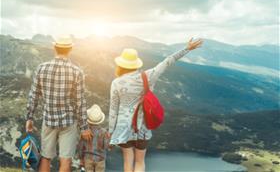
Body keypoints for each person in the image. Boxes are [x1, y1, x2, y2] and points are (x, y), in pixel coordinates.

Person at [109, 38, 203, 172]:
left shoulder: (116, 83)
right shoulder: (147, 76)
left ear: (121, 65)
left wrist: (111, 131)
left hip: (123, 127)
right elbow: (168, 61)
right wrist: (187, 49)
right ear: (136, 64)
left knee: (127, 160)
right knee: (140, 162)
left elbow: (113, 109)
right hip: (142, 126)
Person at [25, 35, 93, 172]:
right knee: (65, 159)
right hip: (68, 122)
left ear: (54, 47)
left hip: (49, 120)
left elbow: (33, 95)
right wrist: (84, 127)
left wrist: (30, 118)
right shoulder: (77, 72)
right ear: (70, 49)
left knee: (45, 157)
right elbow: (80, 102)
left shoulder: (41, 68)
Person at [77, 104, 110, 172]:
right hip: (100, 159)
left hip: (88, 159)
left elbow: (80, 147)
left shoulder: (85, 133)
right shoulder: (104, 132)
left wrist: (81, 158)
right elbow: (106, 146)